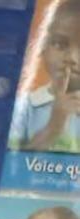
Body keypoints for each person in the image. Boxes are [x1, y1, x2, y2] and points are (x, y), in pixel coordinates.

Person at [10, 0, 80, 153]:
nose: (72, 58)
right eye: (60, 44)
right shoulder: (24, 107)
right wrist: (53, 127)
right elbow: (12, 166)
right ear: (41, 47)